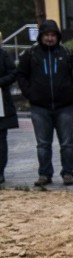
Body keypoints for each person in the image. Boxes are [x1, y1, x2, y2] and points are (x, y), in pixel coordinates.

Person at [16, 19, 73, 187]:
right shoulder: (30, 54)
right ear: (41, 36)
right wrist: (30, 94)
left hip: (65, 106)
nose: (50, 38)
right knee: (43, 144)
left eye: (53, 35)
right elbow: (21, 75)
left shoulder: (68, 54)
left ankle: (68, 173)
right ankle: (44, 174)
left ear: (57, 36)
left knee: (67, 143)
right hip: (40, 107)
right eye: (46, 35)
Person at [0, 32, 18, 186]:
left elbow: (13, 73)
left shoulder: (3, 55)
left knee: (1, 140)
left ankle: (0, 172)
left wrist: (0, 82)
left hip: (2, 105)